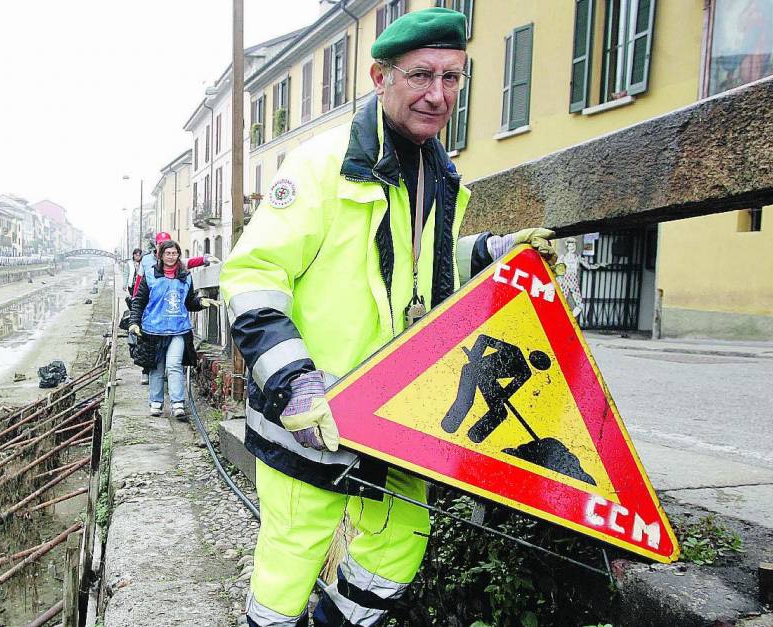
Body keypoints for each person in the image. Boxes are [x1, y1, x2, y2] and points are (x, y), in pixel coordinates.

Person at [219, 8, 558, 626]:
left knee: (399, 547)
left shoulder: (441, 174)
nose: (438, 95)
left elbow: (421, 263)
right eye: (421, 75)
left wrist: (491, 252)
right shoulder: (321, 167)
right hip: (312, 411)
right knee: (289, 563)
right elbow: (252, 274)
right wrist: (295, 380)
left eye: (453, 78)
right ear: (379, 77)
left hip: (397, 412)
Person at [128, 240, 216, 418]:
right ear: (161, 255)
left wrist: (201, 302)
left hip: (178, 330)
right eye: (167, 253)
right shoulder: (151, 275)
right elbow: (139, 301)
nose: (171, 256)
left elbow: (189, 301)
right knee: (157, 368)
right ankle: (156, 402)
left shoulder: (186, 276)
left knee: (174, 365)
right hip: (153, 331)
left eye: (174, 253)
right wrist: (134, 322)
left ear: (178, 255)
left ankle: (177, 404)